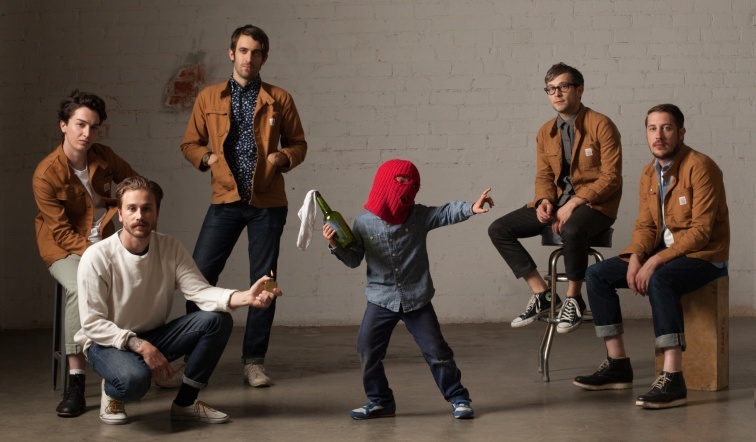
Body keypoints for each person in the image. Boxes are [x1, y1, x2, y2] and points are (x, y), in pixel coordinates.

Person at [76, 176, 282, 425]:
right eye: (131, 208)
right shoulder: (97, 256)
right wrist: (139, 346)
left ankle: (185, 403)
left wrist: (246, 297)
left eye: (147, 208)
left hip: (154, 335)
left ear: (157, 214)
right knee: (133, 382)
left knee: (217, 321)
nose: (139, 216)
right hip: (107, 343)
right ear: (120, 214)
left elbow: (200, 291)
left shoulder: (170, 247)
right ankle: (112, 390)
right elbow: (92, 323)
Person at [573, 104, 729, 409]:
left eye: (667, 128)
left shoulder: (701, 167)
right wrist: (635, 257)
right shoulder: (649, 173)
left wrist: (654, 261)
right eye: (652, 128)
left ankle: (673, 377)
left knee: (660, 279)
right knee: (597, 275)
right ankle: (617, 364)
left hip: (704, 255)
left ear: (680, 133)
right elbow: (645, 226)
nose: (659, 135)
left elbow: (701, 232)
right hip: (664, 253)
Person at [180, 24, 307, 388]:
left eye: (256, 52)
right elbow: (190, 143)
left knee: (265, 282)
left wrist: (282, 158)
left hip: (268, 203)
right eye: (244, 51)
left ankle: (254, 361)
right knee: (198, 278)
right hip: (225, 200)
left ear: (264, 57)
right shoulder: (208, 98)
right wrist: (208, 158)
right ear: (231, 53)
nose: (249, 58)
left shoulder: (279, 98)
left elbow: (298, 144)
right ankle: (190, 358)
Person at [322, 159, 493, 420]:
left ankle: (458, 398)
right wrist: (335, 245)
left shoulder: (419, 216)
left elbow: (446, 212)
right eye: (401, 181)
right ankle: (380, 402)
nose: (407, 188)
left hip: (417, 299)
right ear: (384, 182)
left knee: (437, 352)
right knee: (366, 350)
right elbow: (354, 259)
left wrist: (471, 207)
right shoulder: (363, 223)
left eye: (413, 185)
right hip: (381, 299)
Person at [488, 62, 622, 333]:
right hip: (559, 203)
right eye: (551, 89)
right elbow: (544, 176)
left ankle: (574, 298)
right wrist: (544, 201)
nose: (557, 93)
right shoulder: (545, 132)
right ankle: (543, 293)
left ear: (579, 90)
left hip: (596, 205)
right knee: (499, 228)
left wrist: (575, 202)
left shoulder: (601, 125)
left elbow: (611, 177)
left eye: (563, 87)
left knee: (572, 228)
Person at [32, 90, 139, 417]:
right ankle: (75, 382)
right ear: (63, 125)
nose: (87, 133)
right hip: (63, 246)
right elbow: (62, 232)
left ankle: (134, 362)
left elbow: (135, 183)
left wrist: (127, 211)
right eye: (80, 124)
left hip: (104, 238)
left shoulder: (104, 156)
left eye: (94, 127)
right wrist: (96, 254)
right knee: (80, 286)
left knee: (139, 274)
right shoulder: (46, 174)